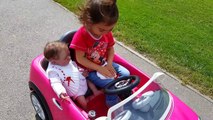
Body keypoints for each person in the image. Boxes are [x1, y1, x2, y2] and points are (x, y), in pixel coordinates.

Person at [70, 0, 130, 107]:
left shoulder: (106, 33)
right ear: (89, 22)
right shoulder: (81, 36)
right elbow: (80, 59)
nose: (106, 33)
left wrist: (109, 64)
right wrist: (99, 68)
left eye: (110, 29)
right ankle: (111, 103)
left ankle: (122, 92)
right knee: (110, 83)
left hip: (105, 63)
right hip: (90, 70)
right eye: (102, 29)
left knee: (126, 74)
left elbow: (111, 49)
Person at [44, 41, 100, 110]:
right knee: (82, 102)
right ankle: (86, 111)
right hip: (75, 90)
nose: (69, 58)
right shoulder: (53, 71)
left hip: (81, 79)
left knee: (89, 79)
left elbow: (74, 67)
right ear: (54, 62)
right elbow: (55, 83)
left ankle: (95, 91)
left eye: (69, 54)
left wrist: (81, 71)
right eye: (66, 57)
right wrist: (61, 92)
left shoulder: (66, 60)